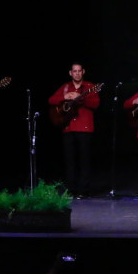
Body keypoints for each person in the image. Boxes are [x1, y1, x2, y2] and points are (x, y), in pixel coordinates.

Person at [47, 62, 102, 197]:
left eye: (79, 71)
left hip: (85, 127)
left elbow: (95, 104)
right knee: (70, 161)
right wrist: (64, 97)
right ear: (70, 73)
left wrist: (80, 99)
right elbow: (51, 100)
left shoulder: (90, 87)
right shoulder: (66, 87)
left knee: (84, 160)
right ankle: (71, 189)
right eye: (74, 71)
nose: (77, 73)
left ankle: (84, 190)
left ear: (83, 72)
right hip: (68, 127)